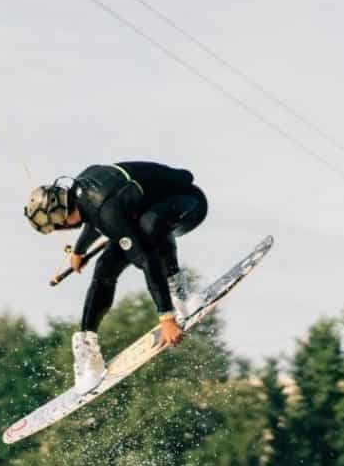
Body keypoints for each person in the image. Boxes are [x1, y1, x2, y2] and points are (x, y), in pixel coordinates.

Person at [24, 161, 208, 392]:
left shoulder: (106, 212)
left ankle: (179, 291)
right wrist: (80, 250)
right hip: (146, 208)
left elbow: (146, 259)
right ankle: (88, 346)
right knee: (104, 268)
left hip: (189, 203)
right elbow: (94, 215)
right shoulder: (81, 191)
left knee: (148, 230)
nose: (62, 229)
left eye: (58, 226)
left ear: (61, 216)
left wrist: (167, 319)